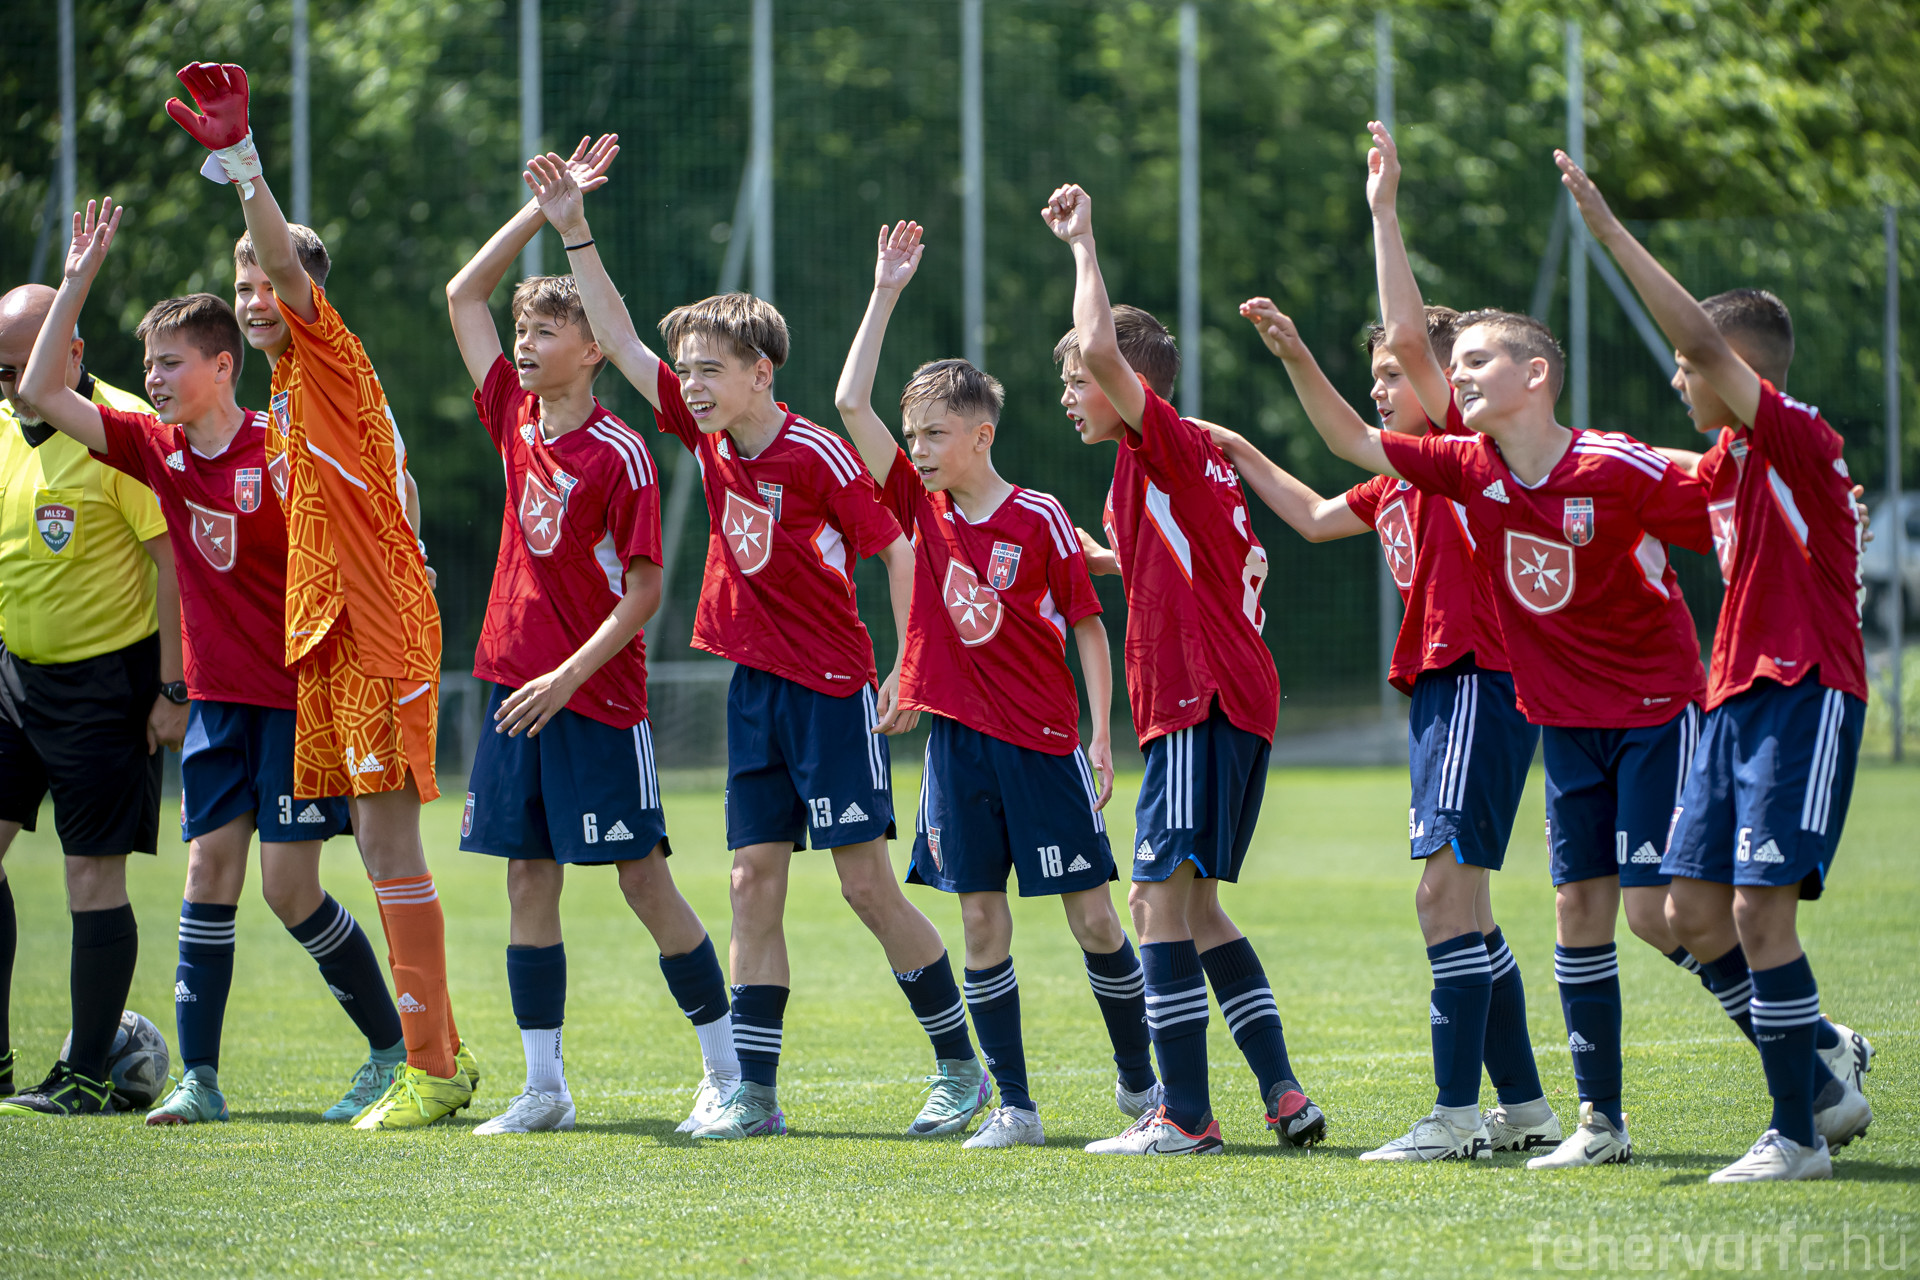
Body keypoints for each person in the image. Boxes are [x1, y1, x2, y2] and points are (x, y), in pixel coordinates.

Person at [524, 156, 987, 1141]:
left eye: (708, 369)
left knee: (865, 885)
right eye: (685, 370)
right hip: (754, 691)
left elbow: (898, 550)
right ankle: (755, 1094)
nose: (690, 385)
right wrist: (572, 231)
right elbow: (617, 338)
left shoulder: (817, 455)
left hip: (829, 691)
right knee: (749, 884)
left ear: (759, 373)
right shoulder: (708, 440)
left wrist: (909, 669)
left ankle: (961, 1067)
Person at [18, 201, 406, 1126]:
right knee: (207, 879)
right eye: (149, 364)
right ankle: (198, 1079)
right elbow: (39, 391)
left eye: (170, 363)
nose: (153, 380)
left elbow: (376, 507)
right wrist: (75, 281)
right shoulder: (156, 452)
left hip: (297, 705)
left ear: (222, 367)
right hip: (220, 706)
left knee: (290, 890)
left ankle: (393, 1051)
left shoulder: (283, 450)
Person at [166, 61, 474, 1129]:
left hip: (373, 634)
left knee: (389, 850)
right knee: (374, 853)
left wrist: (245, 168)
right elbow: (396, 486)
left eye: (269, 284)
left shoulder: (325, 348)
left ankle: (431, 1066)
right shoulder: (295, 392)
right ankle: (436, 1055)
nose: (257, 298)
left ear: (303, 288)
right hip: (331, 641)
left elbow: (292, 274)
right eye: (242, 286)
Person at [1561, 154, 1876, 1181]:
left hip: (1801, 693)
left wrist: (1609, 229)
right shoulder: (1726, 466)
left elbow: (1699, 339)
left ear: (1737, 369)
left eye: (1690, 367)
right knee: (1684, 913)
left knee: (1755, 911)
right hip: (1731, 700)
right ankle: (1822, 1050)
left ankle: (1799, 1133)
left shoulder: (1796, 438)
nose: (1677, 377)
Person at [1205, 292, 1552, 1161]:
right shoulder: (1397, 477)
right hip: (1445, 689)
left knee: (1441, 899)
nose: (1381, 389)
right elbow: (1314, 518)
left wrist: (1305, 343)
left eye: (1394, 374)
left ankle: (1455, 1116)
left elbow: (1403, 363)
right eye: (1376, 377)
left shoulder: (1461, 449)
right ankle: (1526, 1109)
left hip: (1477, 677)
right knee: (1469, 911)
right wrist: (1242, 448)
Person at [833, 220, 1158, 1148]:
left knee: (1095, 920)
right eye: (912, 436)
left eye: (934, 434)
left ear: (980, 436)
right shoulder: (917, 505)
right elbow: (850, 400)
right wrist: (885, 292)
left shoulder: (1041, 517)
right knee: (981, 924)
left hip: (1045, 748)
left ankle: (1142, 1082)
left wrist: (1101, 734)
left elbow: (1089, 626)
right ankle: (1014, 1105)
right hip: (959, 749)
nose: (918, 448)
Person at [443, 142, 739, 1135]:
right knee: (528, 878)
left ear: (593, 351)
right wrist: (543, 211)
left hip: (595, 698)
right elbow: (462, 295)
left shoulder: (622, 454)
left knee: (642, 879)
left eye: (548, 329)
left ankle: (726, 1072)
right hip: (511, 689)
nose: (525, 343)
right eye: (523, 329)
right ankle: (545, 1089)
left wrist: (567, 677)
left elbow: (645, 595)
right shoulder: (512, 418)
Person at [1043, 185, 1324, 1156]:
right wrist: (1105, 561)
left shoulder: (1160, 441)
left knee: (1155, 898)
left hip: (1201, 698)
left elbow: (1104, 351)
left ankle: (1184, 1114)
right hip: (1225, 696)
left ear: (1127, 384)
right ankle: (1282, 1094)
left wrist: (1084, 245)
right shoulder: (1172, 465)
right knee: (1195, 905)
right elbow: (1192, 564)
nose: (1071, 393)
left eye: (1077, 380)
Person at [0, 276, 184, 1116]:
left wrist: (174, 688)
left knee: (91, 879)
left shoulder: (120, 430)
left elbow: (173, 565)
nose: (11, 385)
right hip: (15, 677)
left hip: (108, 685)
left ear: (70, 352)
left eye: (21, 368)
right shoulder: (3, 427)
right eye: (1, 370)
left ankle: (83, 1076)